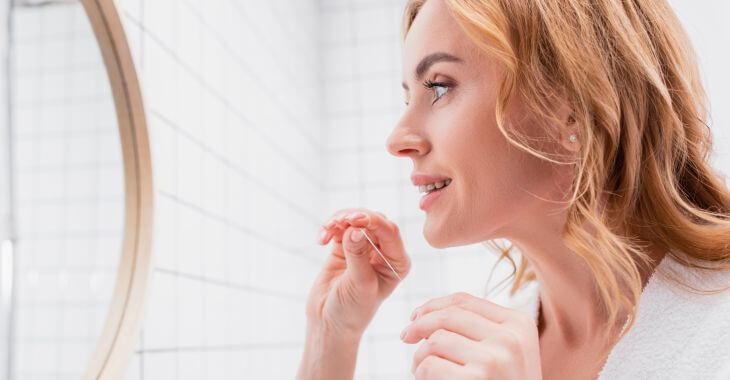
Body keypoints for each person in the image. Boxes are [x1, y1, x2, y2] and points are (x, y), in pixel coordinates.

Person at [297, 0, 730, 379]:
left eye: (440, 86)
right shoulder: (487, 355)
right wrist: (330, 341)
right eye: (408, 98)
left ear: (574, 108)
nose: (398, 139)